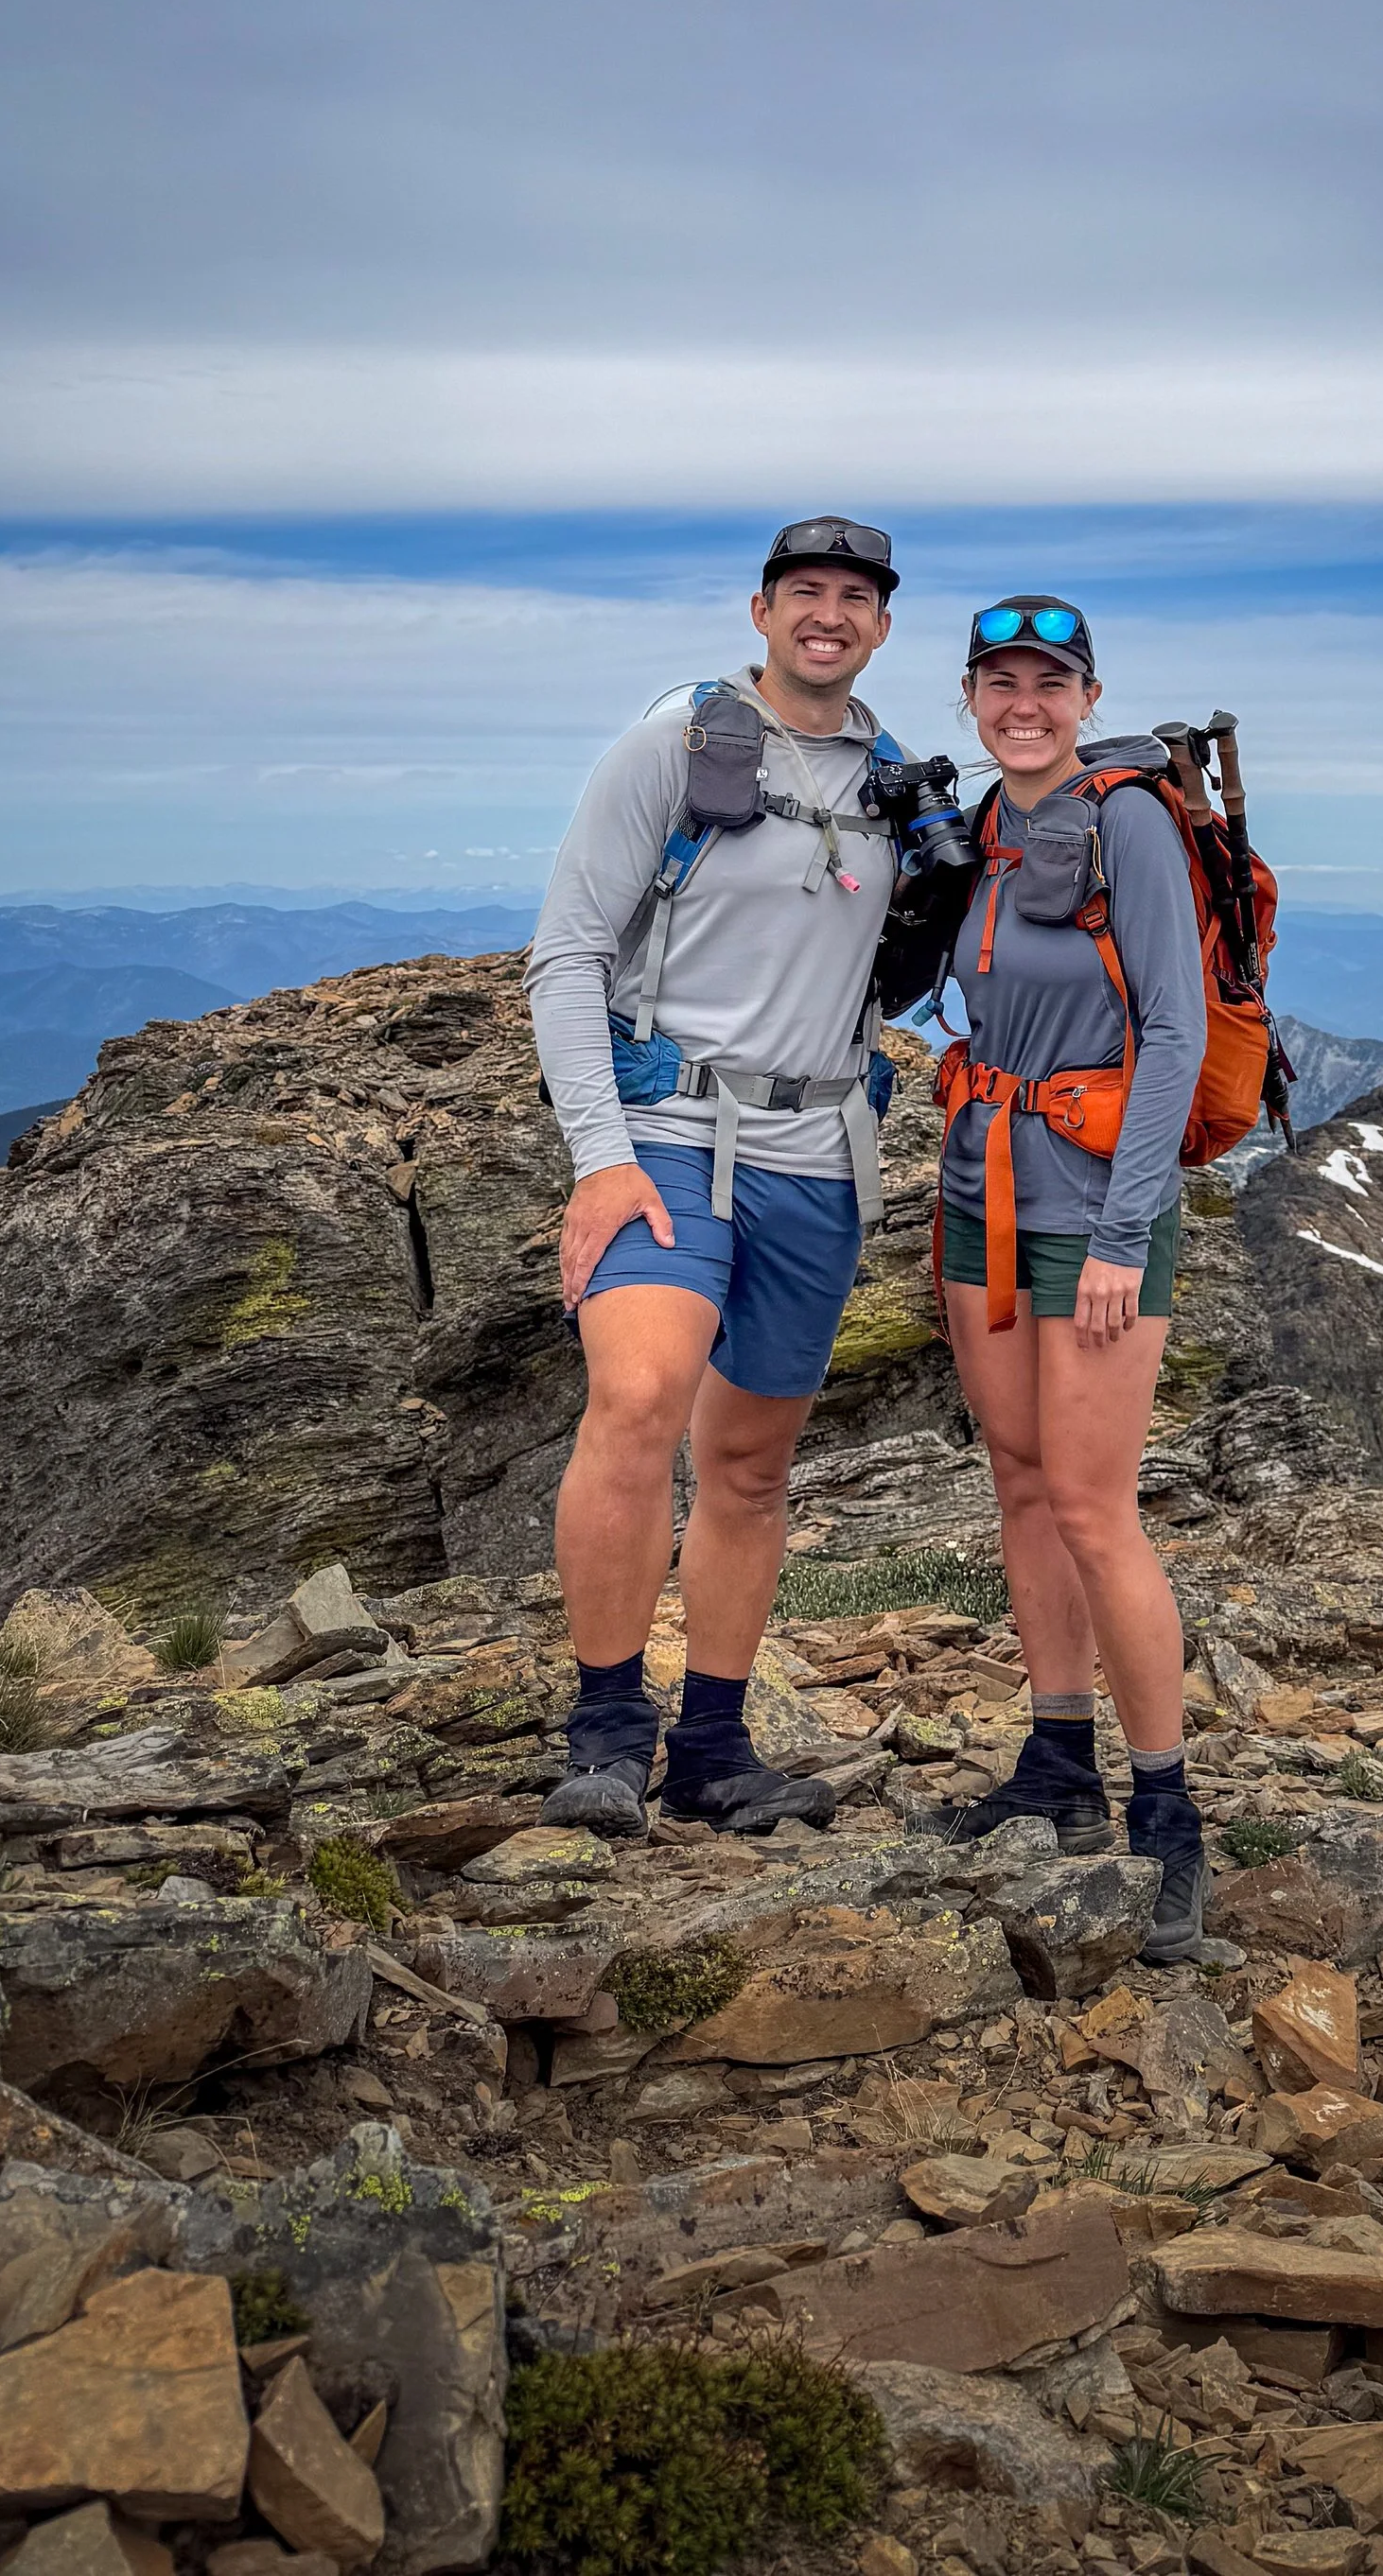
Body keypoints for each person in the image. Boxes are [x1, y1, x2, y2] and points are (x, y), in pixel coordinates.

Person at [523, 515, 907, 1836]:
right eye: (807, 591)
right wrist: (597, 1159)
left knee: (748, 1467)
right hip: (669, 1137)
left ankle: (715, 1746)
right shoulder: (674, 749)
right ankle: (607, 1732)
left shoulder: (901, 786)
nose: (828, 614)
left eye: (855, 597)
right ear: (761, 610)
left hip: (819, 1157)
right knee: (636, 1399)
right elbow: (567, 953)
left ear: (881, 627)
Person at [928, 596, 1217, 1961]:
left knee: (1097, 1508)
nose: (1023, 702)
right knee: (1021, 1478)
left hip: (1093, 1208)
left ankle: (1168, 1817)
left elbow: (1176, 1030)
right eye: (1001, 681)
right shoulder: (986, 829)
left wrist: (1119, 1234)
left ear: (1087, 696)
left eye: (1050, 681)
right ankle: (1056, 1761)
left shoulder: (1132, 822)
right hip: (980, 1190)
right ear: (973, 697)